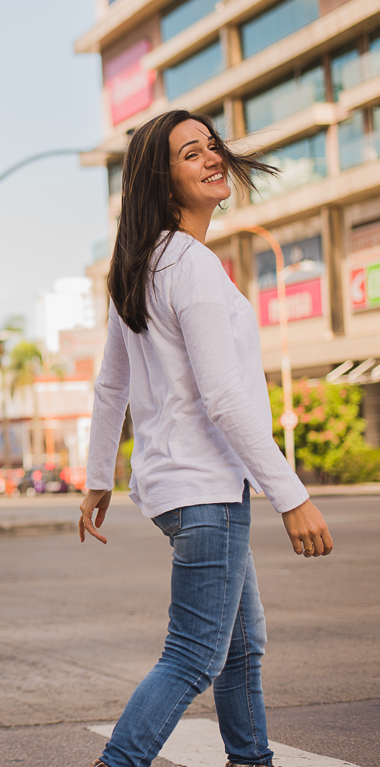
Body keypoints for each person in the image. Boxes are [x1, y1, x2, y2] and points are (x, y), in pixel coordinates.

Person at [79, 109, 333, 767]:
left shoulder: (140, 266)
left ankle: (251, 760)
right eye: (191, 153)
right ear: (163, 184)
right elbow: (224, 398)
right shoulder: (189, 265)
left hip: (173, 485)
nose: (212, 156)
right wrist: (292, 494)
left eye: (211, 145)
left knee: (241, 646)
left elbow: (112, 387)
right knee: (194, 653)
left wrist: (98, 478)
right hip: (208, 488)